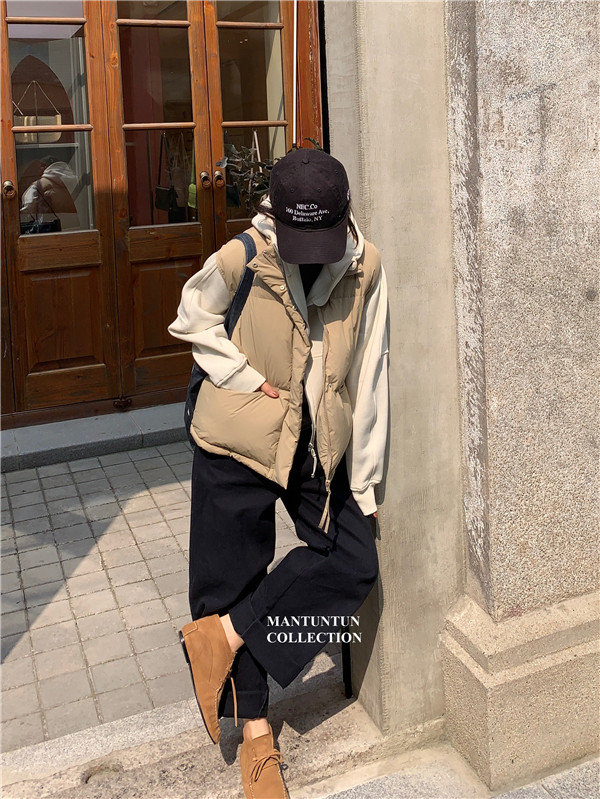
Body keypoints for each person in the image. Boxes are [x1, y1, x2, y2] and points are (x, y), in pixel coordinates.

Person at [167, 147, 389, 799]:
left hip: (313, 437)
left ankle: (225, 635)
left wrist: (365, 476)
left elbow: (370, 370)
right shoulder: (243, 256)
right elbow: (193, 321)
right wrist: (244, 378)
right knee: (228, 576)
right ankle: (257, 736)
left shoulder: (364, 265)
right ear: (277, 217)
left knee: (353, 558)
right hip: (236, 433)